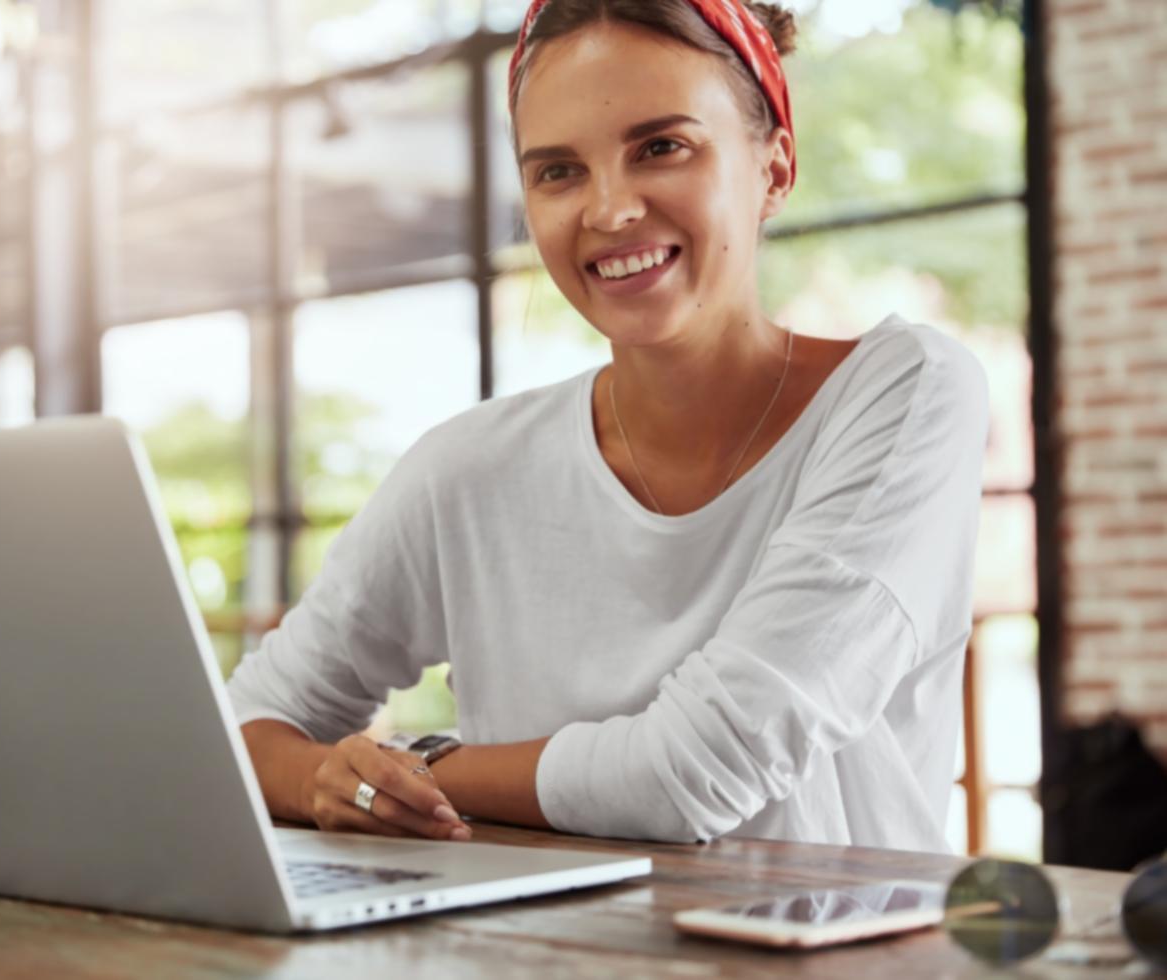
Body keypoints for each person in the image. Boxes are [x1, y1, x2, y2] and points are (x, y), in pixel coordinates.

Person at [227, 0, 989, 852]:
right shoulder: (469, 468)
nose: (610, 209)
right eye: (558, 172)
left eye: (661, 147)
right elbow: (250, 723)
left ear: (774, 168)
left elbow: (694, 772)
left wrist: (414, 769)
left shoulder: (905, 393)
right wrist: (331, 784)